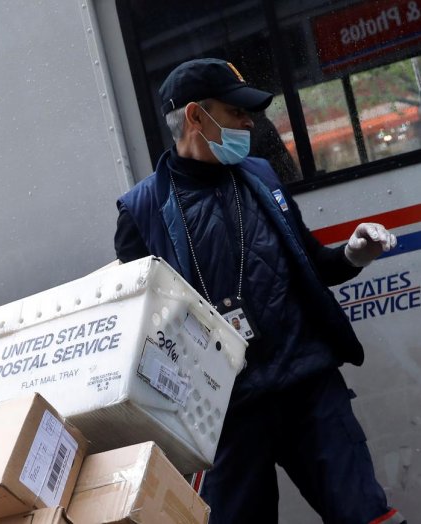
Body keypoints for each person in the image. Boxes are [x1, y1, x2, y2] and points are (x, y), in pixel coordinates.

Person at [114, 58, 405, 524]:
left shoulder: (261, 177)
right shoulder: (142, 211)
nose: (249, 122)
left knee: (366, 515)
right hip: (225, 416)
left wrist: (353, 253)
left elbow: (312, 264)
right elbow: (142, 331)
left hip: (308, 388)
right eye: (236, 112)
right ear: (195, 116)